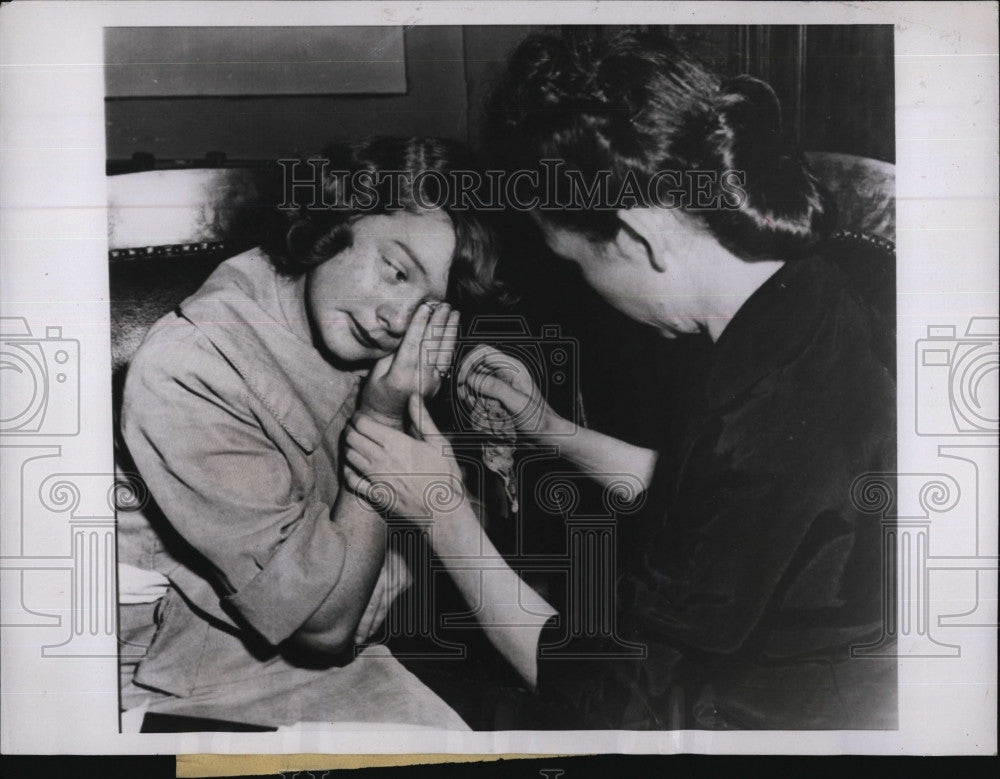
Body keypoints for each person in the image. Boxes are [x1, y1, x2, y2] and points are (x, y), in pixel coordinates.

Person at [342, 30, 897, 729]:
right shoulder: (817, 302)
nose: (588, 287)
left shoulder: (758, 420)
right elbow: (719, 509)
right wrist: (552, 429)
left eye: (579, 264)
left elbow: (609, 701)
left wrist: (442, 513)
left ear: (638, 238)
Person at [119, 136, 505, 729]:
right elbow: (322, 625)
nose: (399, 319)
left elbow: (461, 499)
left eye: (428, 305)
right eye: (395, 270)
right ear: (339, 218)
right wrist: (381, 421)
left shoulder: (356, 330)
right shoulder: (194, 364)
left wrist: (396, 561)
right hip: (190, 668)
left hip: (326, 643)